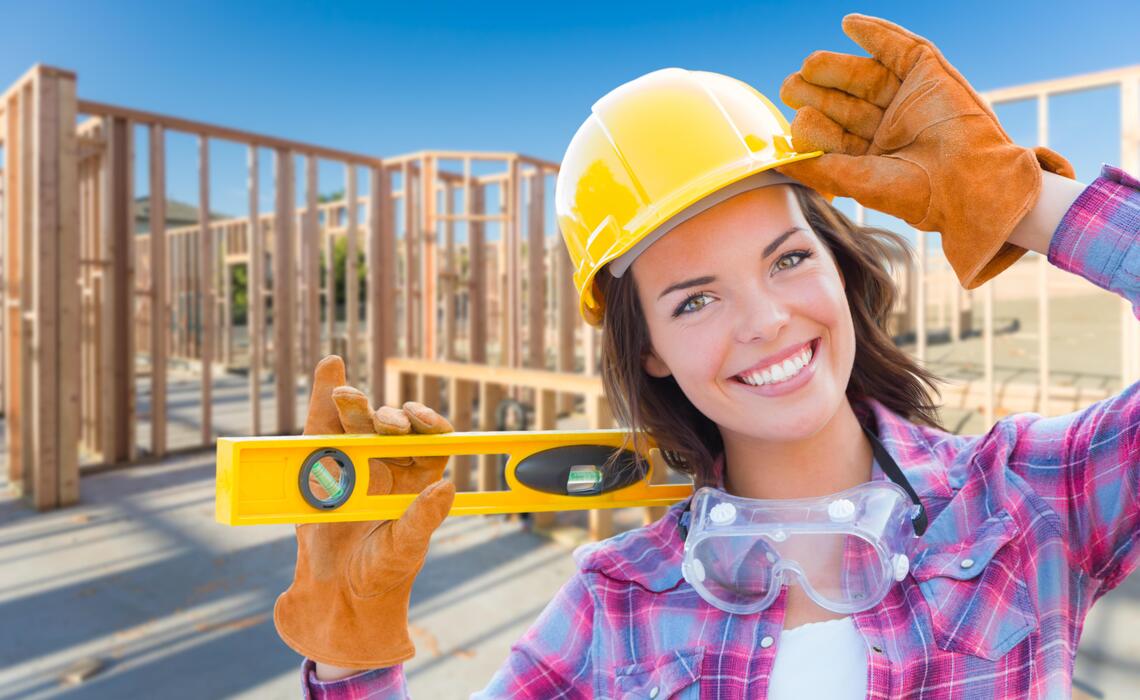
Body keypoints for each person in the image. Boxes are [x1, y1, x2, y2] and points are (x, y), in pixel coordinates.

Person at [275, 14, 1140, 698]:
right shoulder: (618, 604)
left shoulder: (1026, 501)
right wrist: (353, 666)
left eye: (788, 258)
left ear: (839, 265)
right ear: (647, 350)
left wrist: (1023, 199)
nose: (764, 320)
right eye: (695, 298)